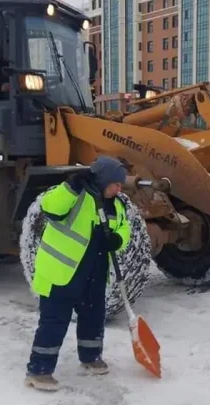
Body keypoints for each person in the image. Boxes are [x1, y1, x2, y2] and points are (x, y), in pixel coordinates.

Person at [24, 155, 131, 392]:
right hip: (62, 273)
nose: (119, 188)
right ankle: (39, 371)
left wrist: (118, 239)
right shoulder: (75, 196)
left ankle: (91, 356)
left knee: (93, 316)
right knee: (54, 322)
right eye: (116, 183)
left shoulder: (117, 204)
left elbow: (125, 228)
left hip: (94, 273)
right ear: (103, 181)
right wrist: (70, 187)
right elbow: (49, 207)